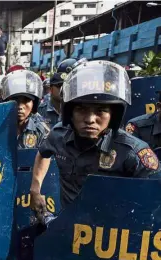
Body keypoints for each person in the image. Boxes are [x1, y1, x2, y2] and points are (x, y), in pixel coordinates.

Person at [30, 60, 160, 218]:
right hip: (67, 228)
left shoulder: (133, 151)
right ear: (69, 112)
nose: (90, 119)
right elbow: (43, 153)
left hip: (113, 233)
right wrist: (35, 190)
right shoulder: (58, 135)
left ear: (113, 115)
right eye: (81, 109)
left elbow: (155, 195)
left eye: (100, 111)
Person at [1, 69, 49, 149]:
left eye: (26, 100)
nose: (20, 106)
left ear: (34, 103)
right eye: (15, 101)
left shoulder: (40, 130)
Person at [38, 58, 78, 127]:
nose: (63, 89)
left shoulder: (73, 109)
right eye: (59, 86)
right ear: (51, 89)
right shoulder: (40, 109)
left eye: (66, 86)